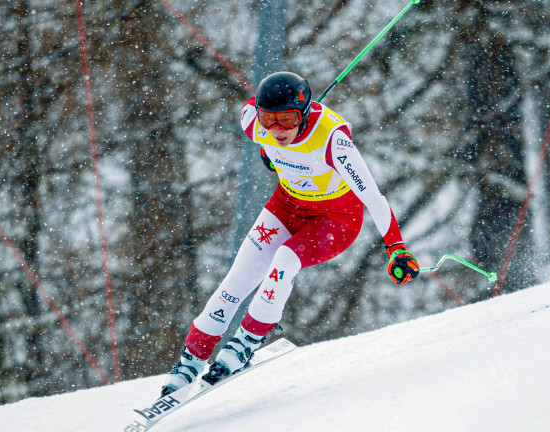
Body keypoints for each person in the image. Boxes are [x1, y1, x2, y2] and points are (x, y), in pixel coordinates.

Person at [161, 71, 420, 396]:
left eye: (287, 120)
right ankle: (191, 360)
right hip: (287, 206)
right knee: (236, 281)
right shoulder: (252, 121)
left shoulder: (332, 140)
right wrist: (268, 153)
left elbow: (373, 198)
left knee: (285, 259)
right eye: (270, 119)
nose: (277, 129)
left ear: (304, 113)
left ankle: (246, 342)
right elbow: (265, 140)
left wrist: (396, 247)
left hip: (335, 218)